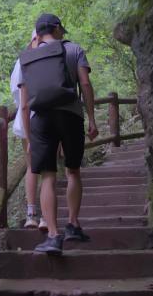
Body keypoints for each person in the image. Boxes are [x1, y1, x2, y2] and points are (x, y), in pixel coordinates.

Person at [19, 13, 98, 255]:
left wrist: (30, 138)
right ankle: (73, 224)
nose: (63, 32)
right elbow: (84, 84)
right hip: (71, 116)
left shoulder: (27, 58)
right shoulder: (74, 50)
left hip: (41, 119)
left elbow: (24, 104)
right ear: (55, 28)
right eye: (61, 28)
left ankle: (53, 235)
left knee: (48, 176)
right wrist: (92, 118)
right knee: (73, 170)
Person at [10, 30, 48, 231]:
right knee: (47, 169)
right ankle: (43, 215)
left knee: (33, 167)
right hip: (46, 117)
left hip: (27, 118)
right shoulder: (51, 57)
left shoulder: (23, 61)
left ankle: (32, 214)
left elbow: (17, 94)